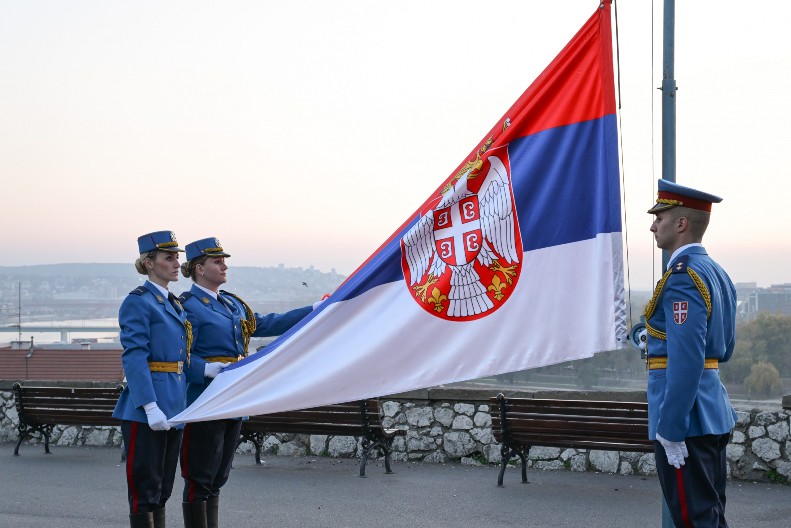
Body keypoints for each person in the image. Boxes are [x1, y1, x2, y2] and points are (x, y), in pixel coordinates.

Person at [178, 237, 317, 528]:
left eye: (223, 260)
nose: (224, 265)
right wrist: (204, 369)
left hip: (235, 397)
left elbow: (265, 324)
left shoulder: (231, 303)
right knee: (199, 476)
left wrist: (314, 309)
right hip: (206, 398)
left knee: (218, 475)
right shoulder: (186, 306)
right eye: (217, 261)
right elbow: (175, 354)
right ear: (199, 269)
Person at [643, 180, 737, 527]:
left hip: (687, 420)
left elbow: (687, 358)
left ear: (681, 224)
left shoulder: (683, 277)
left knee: (694, 520)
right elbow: (722, 349)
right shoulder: (716, 272)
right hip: (711, 409)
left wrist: (671, 427)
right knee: (710, 517)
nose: (653, 225)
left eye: (660, 218)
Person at [113, 231, 191, 528]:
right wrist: (148, 405)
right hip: (148, 410)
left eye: (177, 257)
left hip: (174, 405)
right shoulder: (139, 302)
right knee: (145, 490)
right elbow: (134, 356)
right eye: (168, 257)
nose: (176, 263)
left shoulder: (172, 303)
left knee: (162, 490)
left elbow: (180, 358)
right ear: (148, 262)